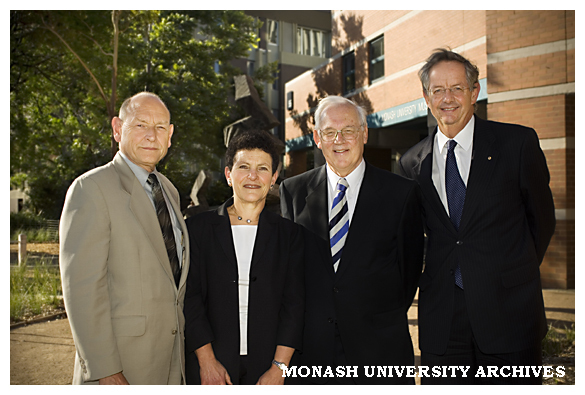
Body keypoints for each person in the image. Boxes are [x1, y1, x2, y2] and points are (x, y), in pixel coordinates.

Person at [399, 49, 556, 384]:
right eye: (438, 90)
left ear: (475, 91)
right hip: (443, 320)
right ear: (427, 98)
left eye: (457, 88)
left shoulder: (517, 143)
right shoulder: (412, 161)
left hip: (509, 312)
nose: (447, 98)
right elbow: (415, 237)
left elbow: (541, 221)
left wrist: (511, 270)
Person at [280, 96, 424, 384]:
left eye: (348, 130)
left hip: (380, 351)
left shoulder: (402, 193)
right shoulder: (293, 192)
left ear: (365, 133)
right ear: (317, 139)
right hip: (313, 355)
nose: (339, 139)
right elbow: (291, 274)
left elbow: (408, 273)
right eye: (329, 132)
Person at [59, 92, 189, 385]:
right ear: (117, 129)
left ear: (170, 136)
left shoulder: (169, 191)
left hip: (170, 364)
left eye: (159, 127)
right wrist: (105, 370)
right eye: (140, 124)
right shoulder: (91, 189)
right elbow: (82, 290)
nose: (151, 135)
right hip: (121, 368)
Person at [184, 130, 304, 385]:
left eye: (262, 168)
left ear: (273, 178)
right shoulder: (198, 229)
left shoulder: (290, 235)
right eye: (244, 167)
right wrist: (206, 362)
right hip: (213, 363)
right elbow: (189, 298)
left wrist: (279, 369)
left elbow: (294, 306)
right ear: (229, 174)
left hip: (270, 365)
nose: (252, 176)